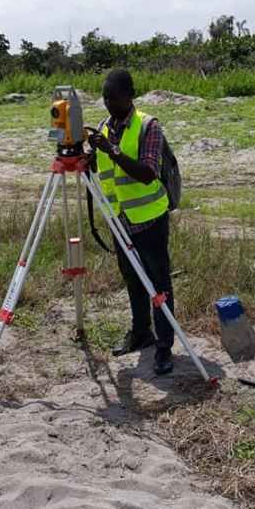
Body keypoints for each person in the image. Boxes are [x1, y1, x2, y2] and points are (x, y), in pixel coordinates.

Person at [88, 69, 175, 375]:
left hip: (149, 219)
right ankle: (141, 334)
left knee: (158, 284)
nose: (108, 102)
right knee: (133, 280)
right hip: (120, 220)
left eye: (113, 97)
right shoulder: (104, 127)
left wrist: (110, 150)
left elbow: (148, 173)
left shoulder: (148, 126)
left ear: (129, 95)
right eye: (105, 97)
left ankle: (165, 347)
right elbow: (104, 170)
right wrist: (89, 159)